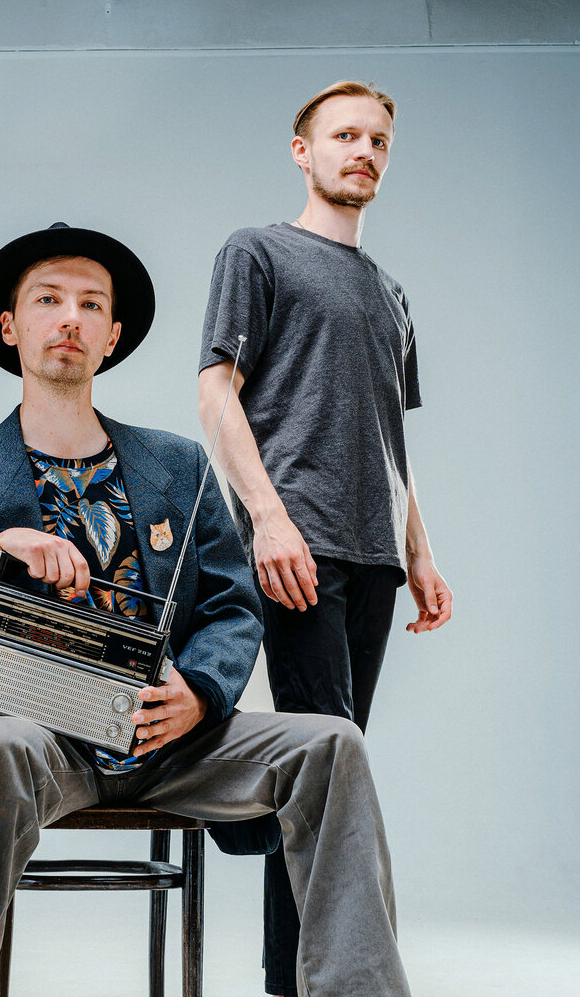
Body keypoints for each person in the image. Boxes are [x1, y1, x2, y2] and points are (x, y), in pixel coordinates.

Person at [0, 223, 412, 997]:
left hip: (177, 746)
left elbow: (234, 607)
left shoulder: (178, 464)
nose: (71, 318)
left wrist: (201, 691)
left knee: (333, 744)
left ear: (112, 336)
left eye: (92, 304)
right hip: (39, 746)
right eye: (48, 300)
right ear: (9, 326)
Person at [198, 80, 452, 997]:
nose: (364, 152)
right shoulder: (257, 252)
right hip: (296, 546)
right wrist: (268, 519)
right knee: (322, 768)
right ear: (303, 151)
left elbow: (391, 437)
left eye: (378, 141)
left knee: (328, 777)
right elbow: (215, 393)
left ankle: (297, 974)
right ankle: (313, 979)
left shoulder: (391, 293)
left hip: (375, 555)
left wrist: (420, 550)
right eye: (346, 136)